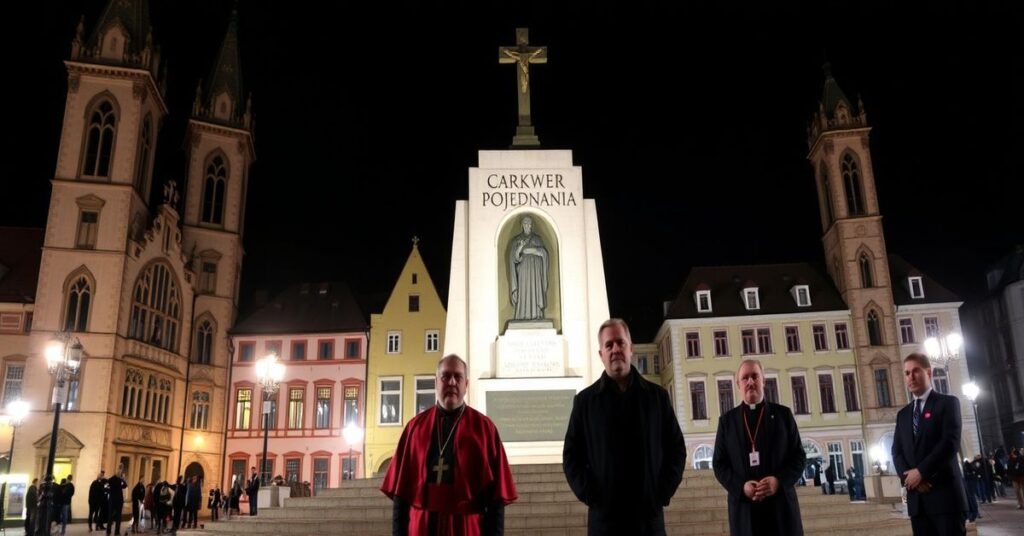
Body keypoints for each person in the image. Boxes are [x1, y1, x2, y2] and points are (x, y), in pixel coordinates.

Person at [562, 318, 686, 535]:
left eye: (620, 343)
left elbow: (676, 449)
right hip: (605, 522)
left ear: (631, 349)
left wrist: (661, 493)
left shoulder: (657, 398)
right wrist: (592, 496)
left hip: (648, 520)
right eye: (609, 345)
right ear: (601, 354)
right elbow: (572, 457)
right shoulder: (584, 402)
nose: (615, 349)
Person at [381, 354, 517, 535]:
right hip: (421, 527)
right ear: (436, 382)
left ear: (466, 385)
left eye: (458, 377)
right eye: (446, 376)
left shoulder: (484, 429)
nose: (452, 382)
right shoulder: (415, 428)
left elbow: (495, 501)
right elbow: (401, 497)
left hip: (467, 527)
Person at [712, 359, 806, 536]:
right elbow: (719, 464)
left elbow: (799, 457)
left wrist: (778, 481)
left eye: (755, 376)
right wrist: (741, 487)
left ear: (763, 380)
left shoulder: (783, 416)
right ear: (738, 384)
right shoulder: (727, 422)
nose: (750, 382)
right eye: (745, 378)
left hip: (780, 510)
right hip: (745, 513)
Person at [891, 353, 968, 535]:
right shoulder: (903, 415)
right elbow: (896, 452)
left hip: (946, 499)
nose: (911, 377)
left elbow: (949, 443)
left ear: (928, 372)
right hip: (918, 503)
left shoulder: (947, 403)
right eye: (907, 373)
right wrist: (911, 479)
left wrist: (921, 472)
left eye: (915, 371)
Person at [506, 215, 548, 320]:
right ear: (522, 225)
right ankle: (521, 315)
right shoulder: (517, 240)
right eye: (525, 223)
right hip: (523, 271)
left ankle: (536, 314)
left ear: (531, 225)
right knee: (524, 292)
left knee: (535, 290)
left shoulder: (537, 239)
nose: (527, 226)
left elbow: (544, 254)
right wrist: (520, 248)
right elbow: (514, 259)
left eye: (529, 223)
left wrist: (535, 251)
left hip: (535, 272)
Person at [106, 470, 127, 536]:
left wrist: (123, 479)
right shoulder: (111, 479)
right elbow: (105, 487)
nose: (119, 474)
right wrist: (110, 492)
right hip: (113, 501)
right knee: (112, 517)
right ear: (116, 473)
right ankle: (110, 531)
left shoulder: (120, 480)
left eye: (120, 473)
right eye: (119, 473)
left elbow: (125, 486)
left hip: (117, 501)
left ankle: (115, 532)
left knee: (118, 517)